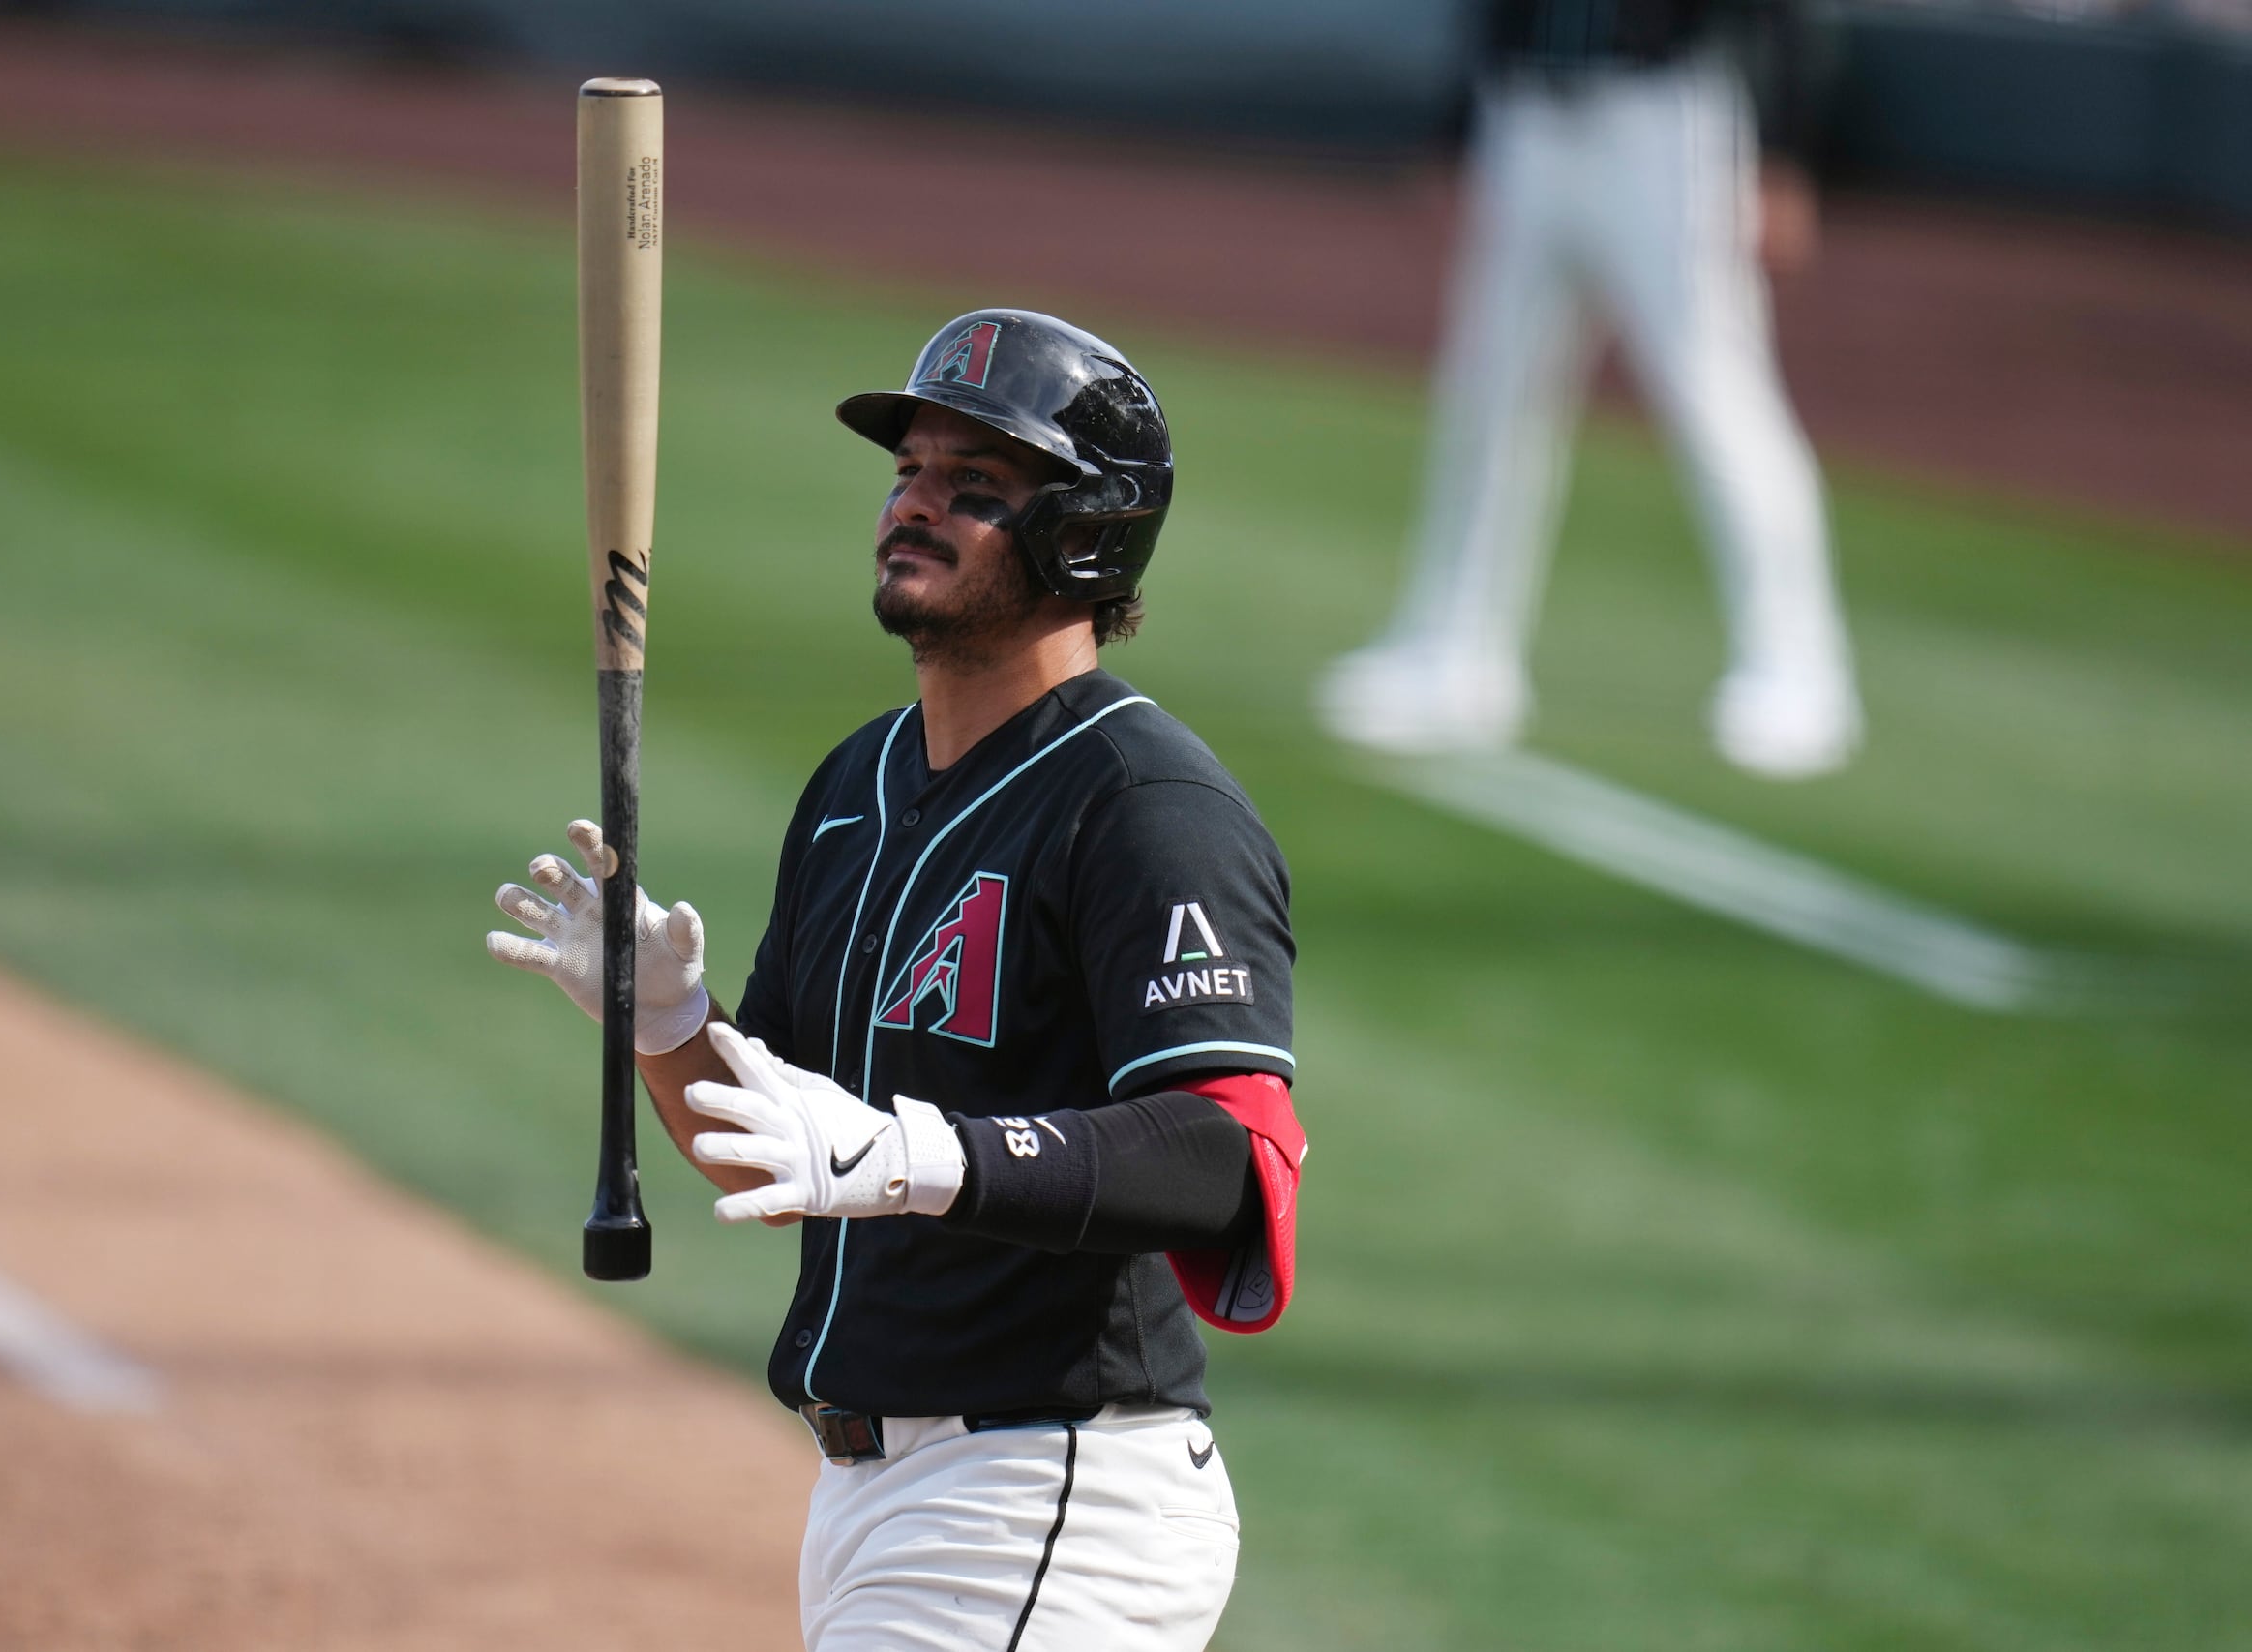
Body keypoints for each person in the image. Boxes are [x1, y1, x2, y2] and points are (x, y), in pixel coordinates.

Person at [487, 310, 1306, 1651]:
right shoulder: (855, 789)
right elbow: (776, 1142)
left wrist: (916, 1152)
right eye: (909, 473)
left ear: (1083, 536)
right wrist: (669, 1025)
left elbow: (1223, 1154)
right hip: (875, 1492)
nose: (914, 506)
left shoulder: (1144, 802)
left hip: (1049, 1489)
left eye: (975, 490)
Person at [1317, 0, 1862, 778]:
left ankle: (1800, 672)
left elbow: (1779, 12)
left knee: (1717, 398)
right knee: (1491, 398)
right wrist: (1458, 126)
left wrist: (1785, 148)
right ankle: (1456, 655)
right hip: (1526, 113)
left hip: (1662, 117)